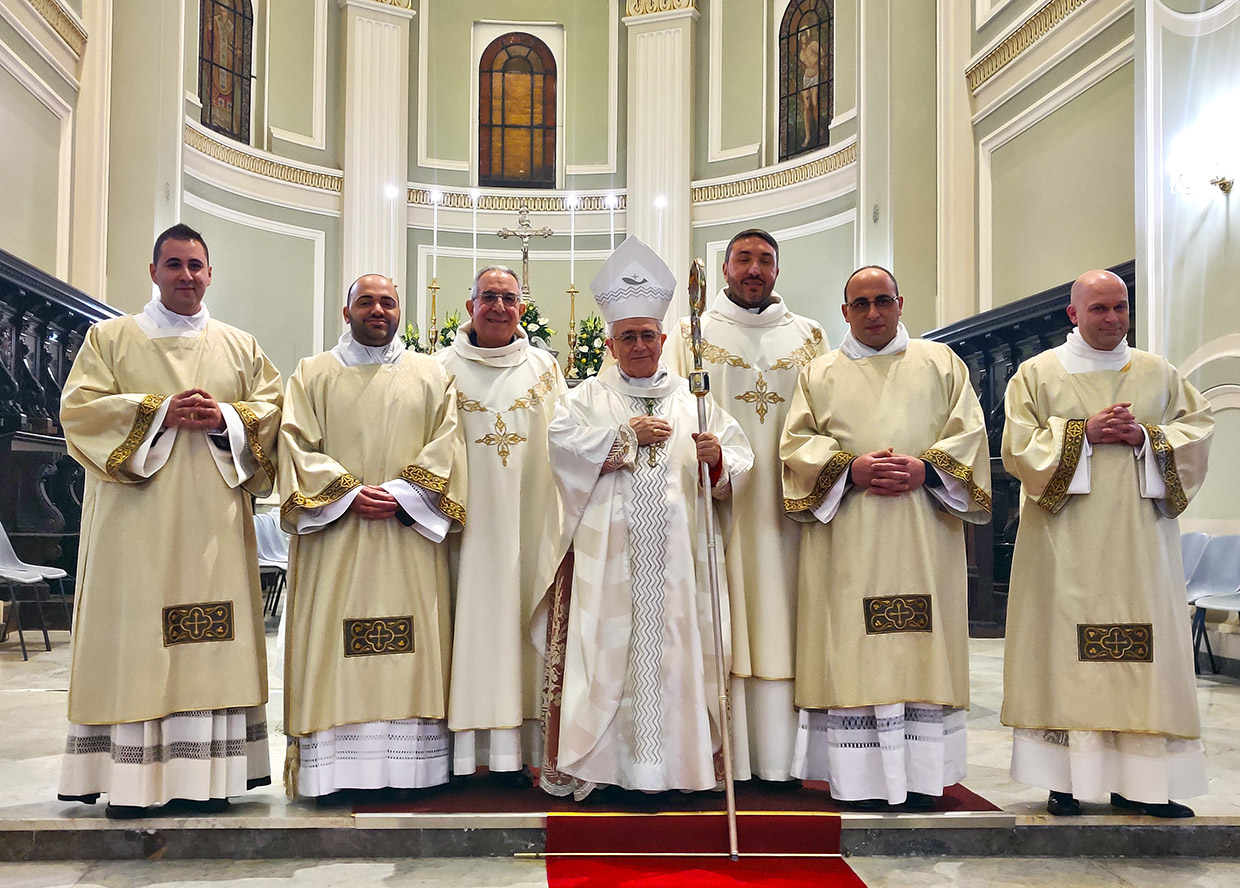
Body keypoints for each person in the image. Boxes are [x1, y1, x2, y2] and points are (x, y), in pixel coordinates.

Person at [58, 223, 282, 818]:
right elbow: (79, 412)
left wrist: (225, 419)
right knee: (138, 645)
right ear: (153, 271)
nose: (186, 275)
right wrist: (158, 412)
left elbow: (273, 415)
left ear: (210, 274)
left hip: (213, 527)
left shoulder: (240, 346)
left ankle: (209, 778)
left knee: (210, 641)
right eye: (175, 264)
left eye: (195, 265)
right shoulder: (110, 338)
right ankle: (132, 783)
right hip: (134, 527)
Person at [542, 236, 753, 800]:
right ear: (611, 344)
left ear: (663, 340)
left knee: (679, 653)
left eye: (647, 336)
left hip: (680, 565)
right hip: (609, 565)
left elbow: (738, 460)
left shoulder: (694, 398)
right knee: (609, 659)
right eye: (627, 337)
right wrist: (622, 437)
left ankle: (679, 768)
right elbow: (560, 448)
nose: (639, 345)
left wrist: (717, 459)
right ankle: (612, 768)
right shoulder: (586, 397)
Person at [1001, 269, 1213, 818]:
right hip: (1063, 546)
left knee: (1146, 661)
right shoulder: (1038, 373)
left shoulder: (1158, 372)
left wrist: (1146, 436)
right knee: (1065, 656)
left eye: (1120, 307)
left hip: (1140, 545)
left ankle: (1144, 783)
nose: (1113, 318)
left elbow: (1197, 431)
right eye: (1098, 308)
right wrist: (1083, 435)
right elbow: (1017, 449)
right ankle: (1065, 781)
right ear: (1073, 314)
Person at [781, 265, 990, 810]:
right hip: (849, 537)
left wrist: (928, 469)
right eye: (861, 304)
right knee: (854, 649)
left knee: (919, 650)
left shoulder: (941, 363)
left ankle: (920, 778)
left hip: (923, 531)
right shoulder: (819, 373)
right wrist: (849, 469)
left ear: (900, 303)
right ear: (844, 312)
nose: (873, 313)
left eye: (883, 301)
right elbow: (796, 444)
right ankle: (856, 781)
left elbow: (970, 434)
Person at [279, 274, 466, 801]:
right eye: (366, 302)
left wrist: (405, 495)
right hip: (336, 536)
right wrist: (346, 493)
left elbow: (448, 443)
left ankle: (412, 772)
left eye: (387, 302)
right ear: (347, 312)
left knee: (412, 645)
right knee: (331, 645)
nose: (378, 310)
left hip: (407, 536)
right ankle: (333, 772)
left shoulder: (431, 374)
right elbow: (294, 444)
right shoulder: (313, 373)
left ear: (400, 311)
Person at [672, 229, 827, 784]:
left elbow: (827, 415)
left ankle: (786, 759)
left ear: (778, 270)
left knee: (787, 616)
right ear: (725, 268)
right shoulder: (690, 334)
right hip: (722, 508)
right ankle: (732, 756)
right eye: (743, 259)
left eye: (764, 260)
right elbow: (671, 410)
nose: (754, 269)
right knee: (728, 618)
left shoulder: (809, 336)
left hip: (791, 508)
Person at [435, 265, 565, 781]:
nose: (498, 307)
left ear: (521, 308)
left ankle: (524, 749)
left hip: (530, 523)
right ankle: (462, 754)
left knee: (521, 619)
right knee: (467, 621)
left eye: (509, 299)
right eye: (488, 297)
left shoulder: (545, 370)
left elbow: (569, 444)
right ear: (470, 306)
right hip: (463, 532)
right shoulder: (439, 369)